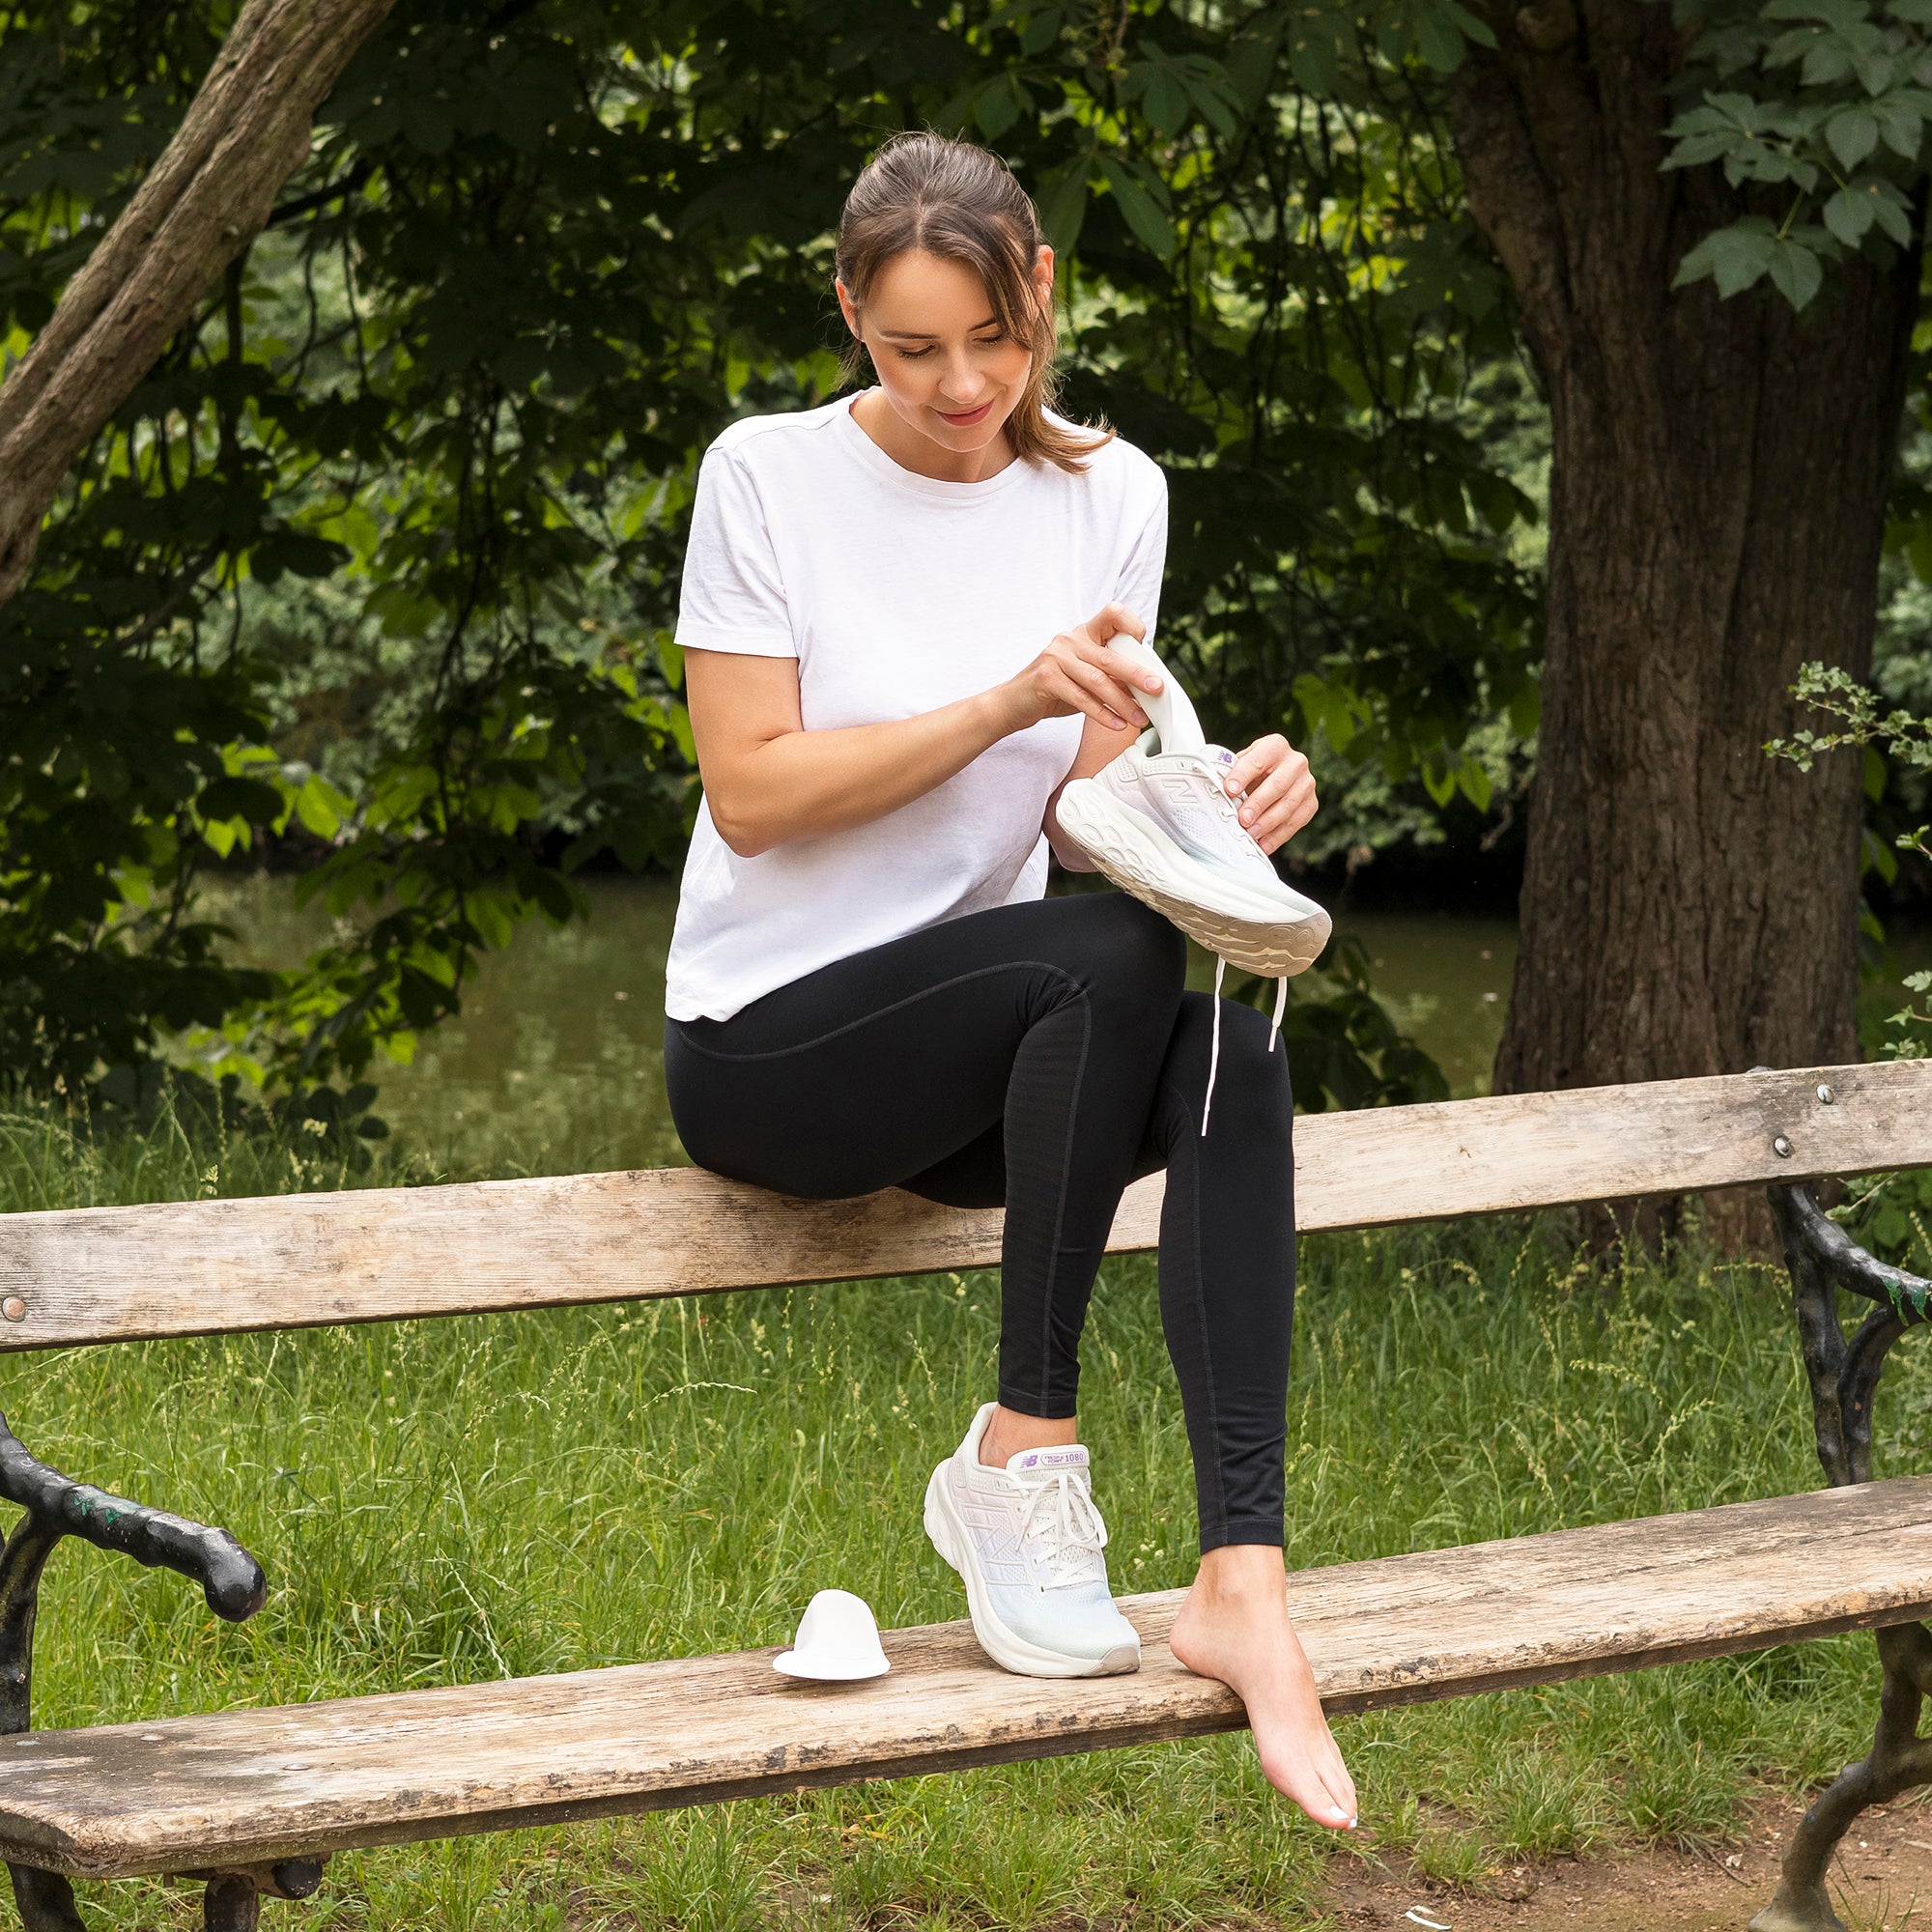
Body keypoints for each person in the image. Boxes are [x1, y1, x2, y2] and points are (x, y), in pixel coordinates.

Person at [661, 128, 1355, 1833]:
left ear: (1040, 293)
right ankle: (1020, 1458)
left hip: (995, 1049)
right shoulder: (765, 474)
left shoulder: (1112, 495)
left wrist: (1236, 792)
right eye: (909, 348)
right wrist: (992, 700)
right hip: (774, 1049)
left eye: (990, 339)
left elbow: (1087, 818)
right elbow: (750, 790)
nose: (959, 383)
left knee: (1232, 1052)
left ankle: (1240, 1578)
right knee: (1112, 960)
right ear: (850, 315)